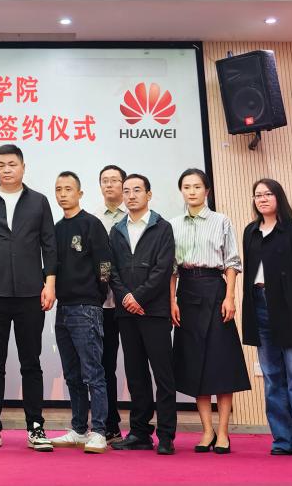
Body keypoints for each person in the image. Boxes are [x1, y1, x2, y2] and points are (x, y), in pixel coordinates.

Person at [0, 144, 56, 451]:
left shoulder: (39, 202)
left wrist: (50, 283)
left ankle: (36, 426)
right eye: (1, 164)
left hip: (31, 293)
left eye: (12, 164)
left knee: (31, 361)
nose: (6, 169)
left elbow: (49, 244)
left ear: (23, 167)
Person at [170, 168, 251, 454]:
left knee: (221, 363)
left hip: (216, 291)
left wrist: (230, 297)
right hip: (187, 293)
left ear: (207, 191)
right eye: (186, 187)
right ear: (181, 191)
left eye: (197, 186)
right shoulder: (173, 225)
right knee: (195, 365)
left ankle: (224, 431)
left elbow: (232, 262)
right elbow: (171, 269)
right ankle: (206, 431)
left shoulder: (221, 221)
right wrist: (171, 301)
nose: (191, 191)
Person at [241, 179, 292, 459]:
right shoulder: (250, 231)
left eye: (268, 194)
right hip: (259, 305)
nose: (262, 199)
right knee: (272, 377)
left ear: (278, 197)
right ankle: (283, 439)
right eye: (257, 195)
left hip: (288, 307)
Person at [108, 174, 177, 455]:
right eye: (126, 191)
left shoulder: (162, 227)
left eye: (137, 190)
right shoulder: (116, 230)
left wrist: (138, 297)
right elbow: (109, 269)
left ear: (148, 194)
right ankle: (139, 432)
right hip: (127, 313)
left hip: (155, 311)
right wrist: (126, 297)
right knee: (135, 374)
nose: (131, 195)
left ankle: (167, 435)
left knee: (163, 375)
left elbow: (163, 269)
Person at [48, 172, 111, 454]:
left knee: (93, 372)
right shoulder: (56, 228)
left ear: (80, 193)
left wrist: (97, 294)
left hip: (87, 307)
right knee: (72, 373)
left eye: (68, 189)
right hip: (63, 308)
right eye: (58, 189)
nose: (63, 194)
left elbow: (105, 265)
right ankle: (79, 429)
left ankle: (99, 431)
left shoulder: (91, 224)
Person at [93, 165, 128, 443]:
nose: (109, 185)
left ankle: (140, 427)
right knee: (105, 366)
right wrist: (103, 286)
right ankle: (110, 422)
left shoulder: (134, 217)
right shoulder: (94, 220)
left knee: (137, 365)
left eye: (114, 180)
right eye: (104, 181)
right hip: (104, 304)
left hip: (133, 301)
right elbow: (102, 264)